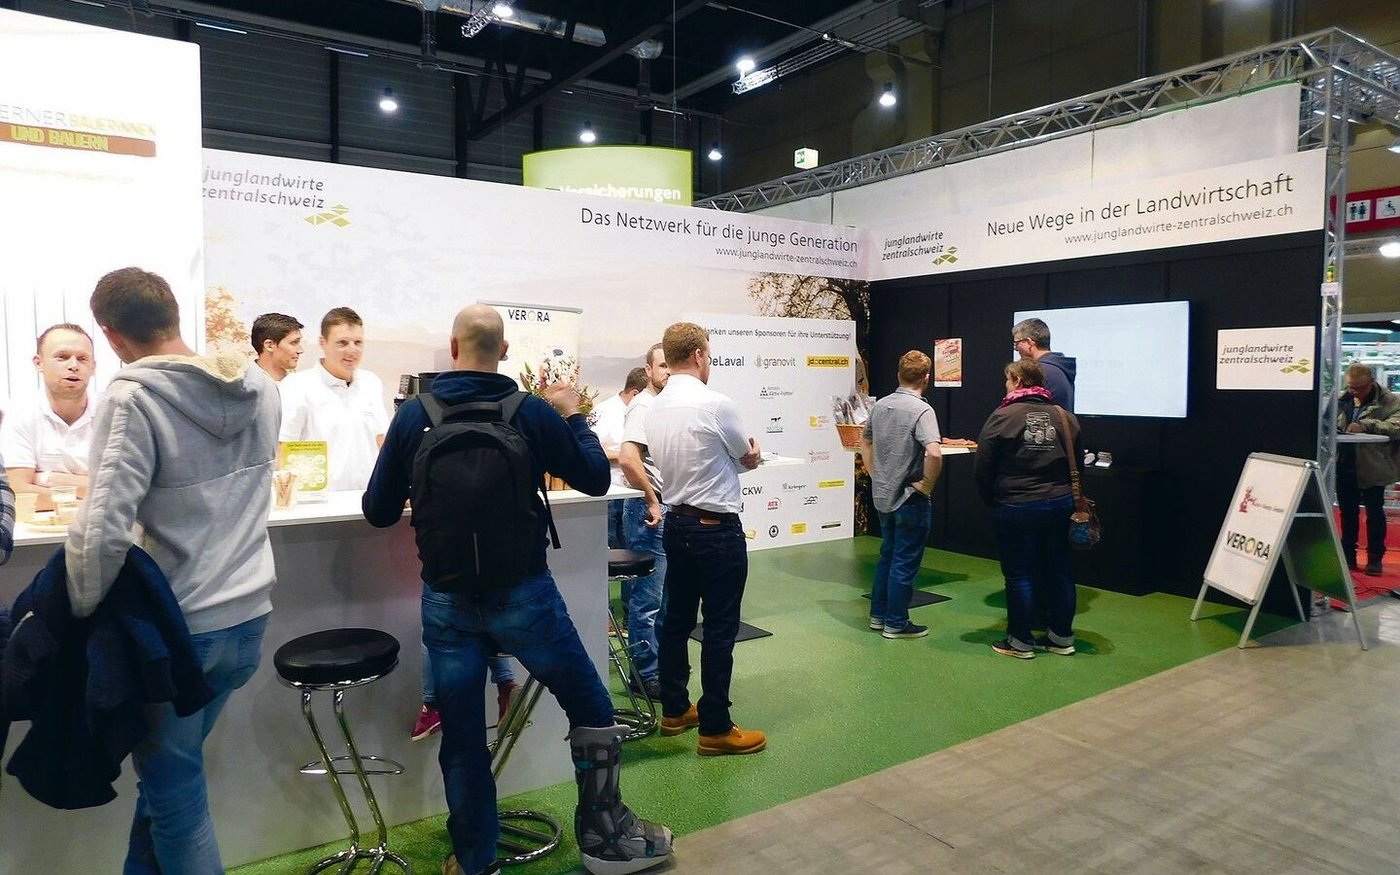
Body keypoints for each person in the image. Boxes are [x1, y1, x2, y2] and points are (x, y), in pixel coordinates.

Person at [362, 303, 671, 875]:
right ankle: (605, 838)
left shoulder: (414, 416)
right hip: (525, 595)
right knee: (590, 706)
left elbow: (377, 511)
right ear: (504, 352)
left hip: (447, 601)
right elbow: (593, 478)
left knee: (462, 738)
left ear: (453, 348)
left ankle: (475, 862)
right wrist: (572, 414)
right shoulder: (527, 411)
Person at [66, 267, 280, 871]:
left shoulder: (132, 399)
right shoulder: (261, 387)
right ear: (174, 315)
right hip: (248, 618)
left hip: (180, 630)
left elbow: (101, 531)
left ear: (110, 335)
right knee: (166, 787)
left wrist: (79, 614)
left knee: (175, 796)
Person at [646, 322, 766, 757]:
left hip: (676, 525)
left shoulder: (653, 407)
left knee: (676, 621)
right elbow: (745, 455)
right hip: (716, 530)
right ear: (698, 355)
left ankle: (675, 709)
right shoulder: (716, 404)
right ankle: (715, 727)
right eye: (709, 355)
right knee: (719, 628)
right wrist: (751, 457)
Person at [974, 358, 1083, 659]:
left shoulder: (1002, 416)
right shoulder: (1064, 417)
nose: (1006, 385)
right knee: (1060, 570)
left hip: (1015, 504)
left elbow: (983, 465)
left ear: (1018, 382)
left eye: (1008, 380)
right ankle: (1061, 637)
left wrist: (991, 498)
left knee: (1019, 573)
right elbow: (1078, 464)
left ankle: (1020, 641)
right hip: (1060, 503)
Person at [859, 350, 943, 639]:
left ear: (899, 374)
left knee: (888, 555)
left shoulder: (881, 405)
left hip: (884, 495)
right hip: (910, 497)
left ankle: (878, 615)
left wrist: (874, 473)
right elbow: (934, 453)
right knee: (905, 561)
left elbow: (865, 441)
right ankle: (896, 622)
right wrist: (927, 485)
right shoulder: (922, 410)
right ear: (926, 379)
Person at [279, 306, 390, 491]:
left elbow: (381, 441)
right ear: (323, 343)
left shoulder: (371, 382)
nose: (352, 350)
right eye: (342, 343)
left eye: (358, 342)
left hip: (369, 498)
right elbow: (283, 449)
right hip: (320, 502)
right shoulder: (297, 386)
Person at [617, 345, 670, 698]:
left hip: (667, 509)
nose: (668, 372)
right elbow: (628, 458)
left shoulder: (667, 406)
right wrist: (652, 499)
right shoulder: (644, 406)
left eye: (671, 365)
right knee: (647, 599)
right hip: (648, 510)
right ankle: (645, 675)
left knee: (664, 598)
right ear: (648, 370)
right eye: (662, 365)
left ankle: (660, 668)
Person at [2, 323, 98, 508]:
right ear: (39, 363)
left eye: (82, 359)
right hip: (40, 525)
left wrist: (47, 478)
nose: (73, 366)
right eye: (62, 357)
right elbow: (19, 492)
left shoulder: (112, 412)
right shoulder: (20, 413)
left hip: (103, 524)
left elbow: (124, 489)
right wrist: (89, 496)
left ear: (93, 367)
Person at [1335, 362, 1400, 576]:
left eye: (1359, 388)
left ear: (1371, 383)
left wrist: (1366, 425)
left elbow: (1395, 427)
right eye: (1350, 386)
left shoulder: (1391, 401)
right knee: (1348, 514)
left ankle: (1375, 558)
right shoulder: (1342, 399)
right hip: (1345, 464)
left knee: (1374, 513)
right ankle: (1348, 557)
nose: (1354, 391)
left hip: (1374, 466)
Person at [592, 366, 648, 548]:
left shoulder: (643, 412)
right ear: (635, 393)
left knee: (632, 547)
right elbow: (592, 451)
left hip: (636, 492)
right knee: (610, 545)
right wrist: (627, 456)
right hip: (612, 491)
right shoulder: (604, 411)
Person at [1012, 317, 1076, 410]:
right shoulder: (1058, 368)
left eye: (1017, 343)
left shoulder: (1039, 371)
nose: (1016, 349)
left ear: (1029, 342)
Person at [251, 312, 304, 382]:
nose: (300, 350)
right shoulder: (241, 384)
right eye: (293, 342)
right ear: (269, 346)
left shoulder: (298, 384)